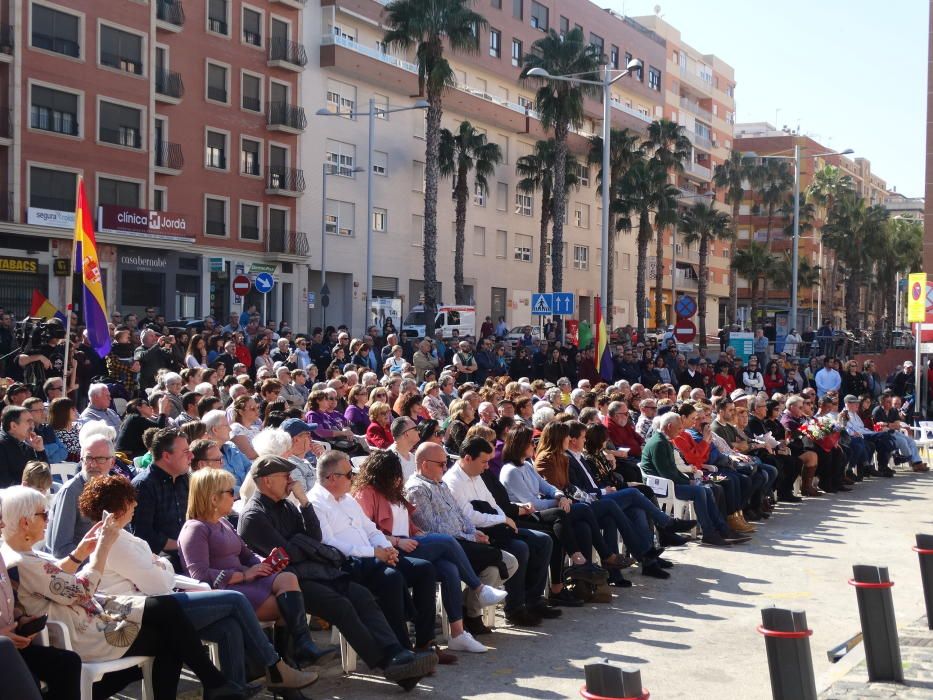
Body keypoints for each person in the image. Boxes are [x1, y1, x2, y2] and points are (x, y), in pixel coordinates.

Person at [0, 486, 250, 700]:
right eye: (44, 514)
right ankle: (216, 683)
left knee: (167, 613)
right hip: (81, 629)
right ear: (25, 522)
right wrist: (102, 548)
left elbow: (51, 577)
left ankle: (216, 683)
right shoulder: (22, 562)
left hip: (87, 615)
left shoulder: (17, 555)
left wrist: (80, 553)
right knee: (169, 633)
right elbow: (82, 590)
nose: (48, 519)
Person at [78, 474, 318, 691]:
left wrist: (261, 565)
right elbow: (166, 582)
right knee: (237, 601)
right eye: (131, 500)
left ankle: (235, 689)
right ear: (119, 506)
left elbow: (165, 573)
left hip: (158, 606)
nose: (136, 504)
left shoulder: (123, 536)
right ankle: (275, 666)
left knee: (231, 625)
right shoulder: (118, 542)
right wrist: (161, 566)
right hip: (145, 612)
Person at [237, 455, 439, 689]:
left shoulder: (287, 505)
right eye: (285, 477)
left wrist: (304, 503)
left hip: (318, 570)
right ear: (266, 481)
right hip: (290, 580)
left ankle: (397, 654)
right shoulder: (254, 516)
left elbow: (313, 539)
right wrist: (305, 545)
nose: (291, 481)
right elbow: (289, 554)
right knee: (342, 606)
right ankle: (389, 664)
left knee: (361, 596)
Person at [178, 468, 338, 668]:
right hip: (226, 589)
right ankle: (286, 665)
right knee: (284, 608)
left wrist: (264, 563)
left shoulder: (223, 523)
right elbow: (199, 574)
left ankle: (303, 646)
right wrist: (243, 575)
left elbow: (246, 554)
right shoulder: (195, 529)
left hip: (246, 581)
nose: (234, 495)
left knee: (288, 578)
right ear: (213, 499)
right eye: (229, 492)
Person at [353, 449, 506, 657]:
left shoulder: (393, 492)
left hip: (410, 542)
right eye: (393, 473)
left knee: (450, 569)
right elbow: (366, 531)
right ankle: (479, 588)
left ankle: (455, 634)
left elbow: (408, 525)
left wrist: (419, 534)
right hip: (391, 549)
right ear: (380, 473)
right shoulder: (367, 493)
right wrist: (398, 541)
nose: (398, 478)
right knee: (446, 541)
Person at [444, 437, 554, 626]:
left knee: (544, 540)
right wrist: (503, 519)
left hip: (495, 527)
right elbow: (469, 516)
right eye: (484, 461)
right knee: (520, 548)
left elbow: (492, 503)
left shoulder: (477, 475)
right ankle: (515, 608)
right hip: (476, 534)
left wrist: (505, 519)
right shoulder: (452, 481)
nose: (487, 467)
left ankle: (533, 600)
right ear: (468, 458)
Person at [641, 413, 748, 547]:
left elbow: (672, 470)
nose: (681, 431)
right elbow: (667, 473)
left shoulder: (664, 440)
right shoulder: (659, 443)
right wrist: (688, 481)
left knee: (706, 490)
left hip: (670, 481)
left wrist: (689, 480)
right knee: (699, 491)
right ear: (669, 426)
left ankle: (723, 530)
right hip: (662, 486)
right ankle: (709, 533)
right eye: (679, 428)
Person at [46, 431, 116, 557]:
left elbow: (125, 532)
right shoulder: (71, 492)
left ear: (112, 462)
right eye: (88, 458)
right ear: (81, 460)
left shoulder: (114, 487)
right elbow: (60, 549)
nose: (93, 465)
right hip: (80, 568)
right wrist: (100, 559)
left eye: (100, 459)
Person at [131, 427, 192, 571]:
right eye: (185, 452)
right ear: (166, 456)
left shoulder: (184, 478)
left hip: (190, 551)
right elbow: (143, 535)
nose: (191, 456)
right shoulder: (143, 486)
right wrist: (183, 545)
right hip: (161, 560)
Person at [0, 405, 49, 488]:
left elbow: (44, 475)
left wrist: (40, 450)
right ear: (13, 426)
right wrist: (28, 490)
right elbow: (4, 482)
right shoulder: (2, 446)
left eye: (32, 422)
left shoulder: (26, 446)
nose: (32, 426)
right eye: (28, 421)